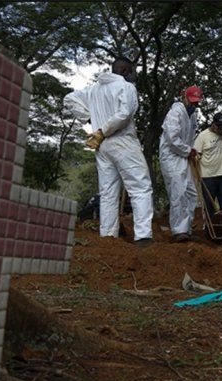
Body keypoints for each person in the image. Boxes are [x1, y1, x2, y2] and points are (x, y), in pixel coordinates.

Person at [63, 57, 154, 247]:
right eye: (131, 71)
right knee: (140, 186)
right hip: (122, 141)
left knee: (108, 192)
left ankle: (108, 236)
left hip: (102, 146)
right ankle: (143, 237)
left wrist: (89, 119)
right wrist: (101, 130)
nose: (132, 75)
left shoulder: (94, 90)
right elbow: (125, 113)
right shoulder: (126, 87)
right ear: (124, 71)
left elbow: (69, 99)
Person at [159, 85, 202, 242]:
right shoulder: (175, 112)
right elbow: (172, 139)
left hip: (184, 157)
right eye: (192, 101)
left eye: (196, 102)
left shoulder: (193, 116)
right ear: (184, 97)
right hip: (171, 157)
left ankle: (187, 228)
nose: (194, 105)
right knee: (178, 192)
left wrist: (191, 152)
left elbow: (189, 138)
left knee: (191, 193)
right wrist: (188, 150)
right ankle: (178, 231)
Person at [194, 113, 222, 218]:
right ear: (213, 124)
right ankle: (210, 230)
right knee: (209, 206)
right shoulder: (202, 136)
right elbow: (196, 155)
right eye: (219, 125)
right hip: (208, 176)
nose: (221, 128)